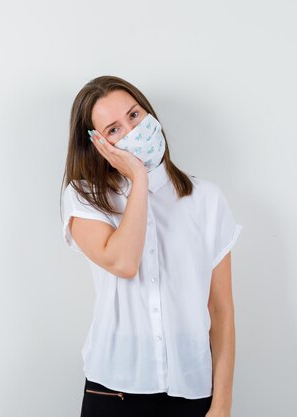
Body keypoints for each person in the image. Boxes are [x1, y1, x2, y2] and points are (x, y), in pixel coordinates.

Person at [60, 75, 243, 417]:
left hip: (192, 390)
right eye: (113, 130)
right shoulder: (85, 198)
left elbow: (221, 311)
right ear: (97, 143)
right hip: (114, 392)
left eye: (134, 115)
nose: (131, 130)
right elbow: (124, 262)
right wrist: (139, 178)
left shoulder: (206, 200)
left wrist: (222, 404)